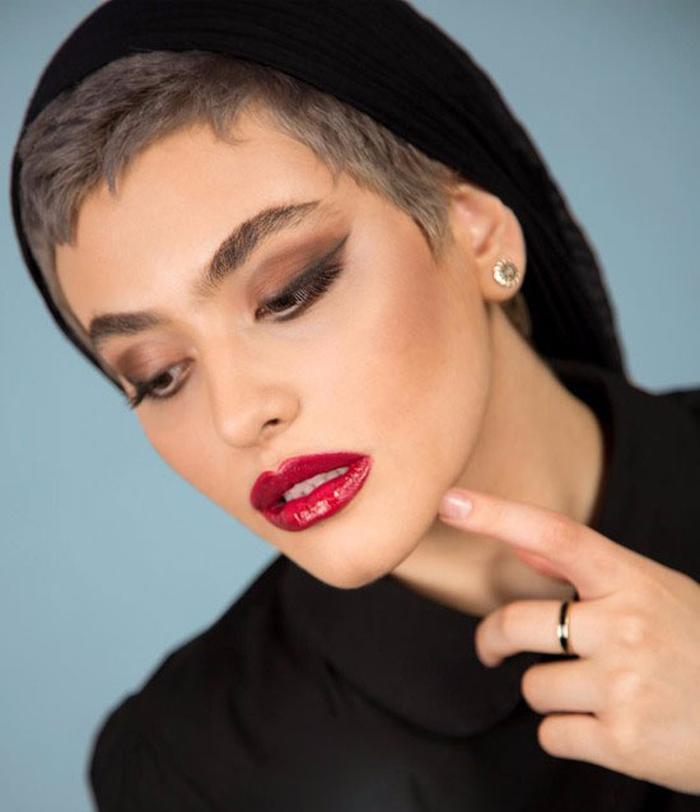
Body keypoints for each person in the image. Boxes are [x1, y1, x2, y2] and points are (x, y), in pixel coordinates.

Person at [10, 1, 700, 810]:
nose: (238, 415)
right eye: (161, 375)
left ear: (478, 234)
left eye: (289, 293)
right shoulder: (186, 768)